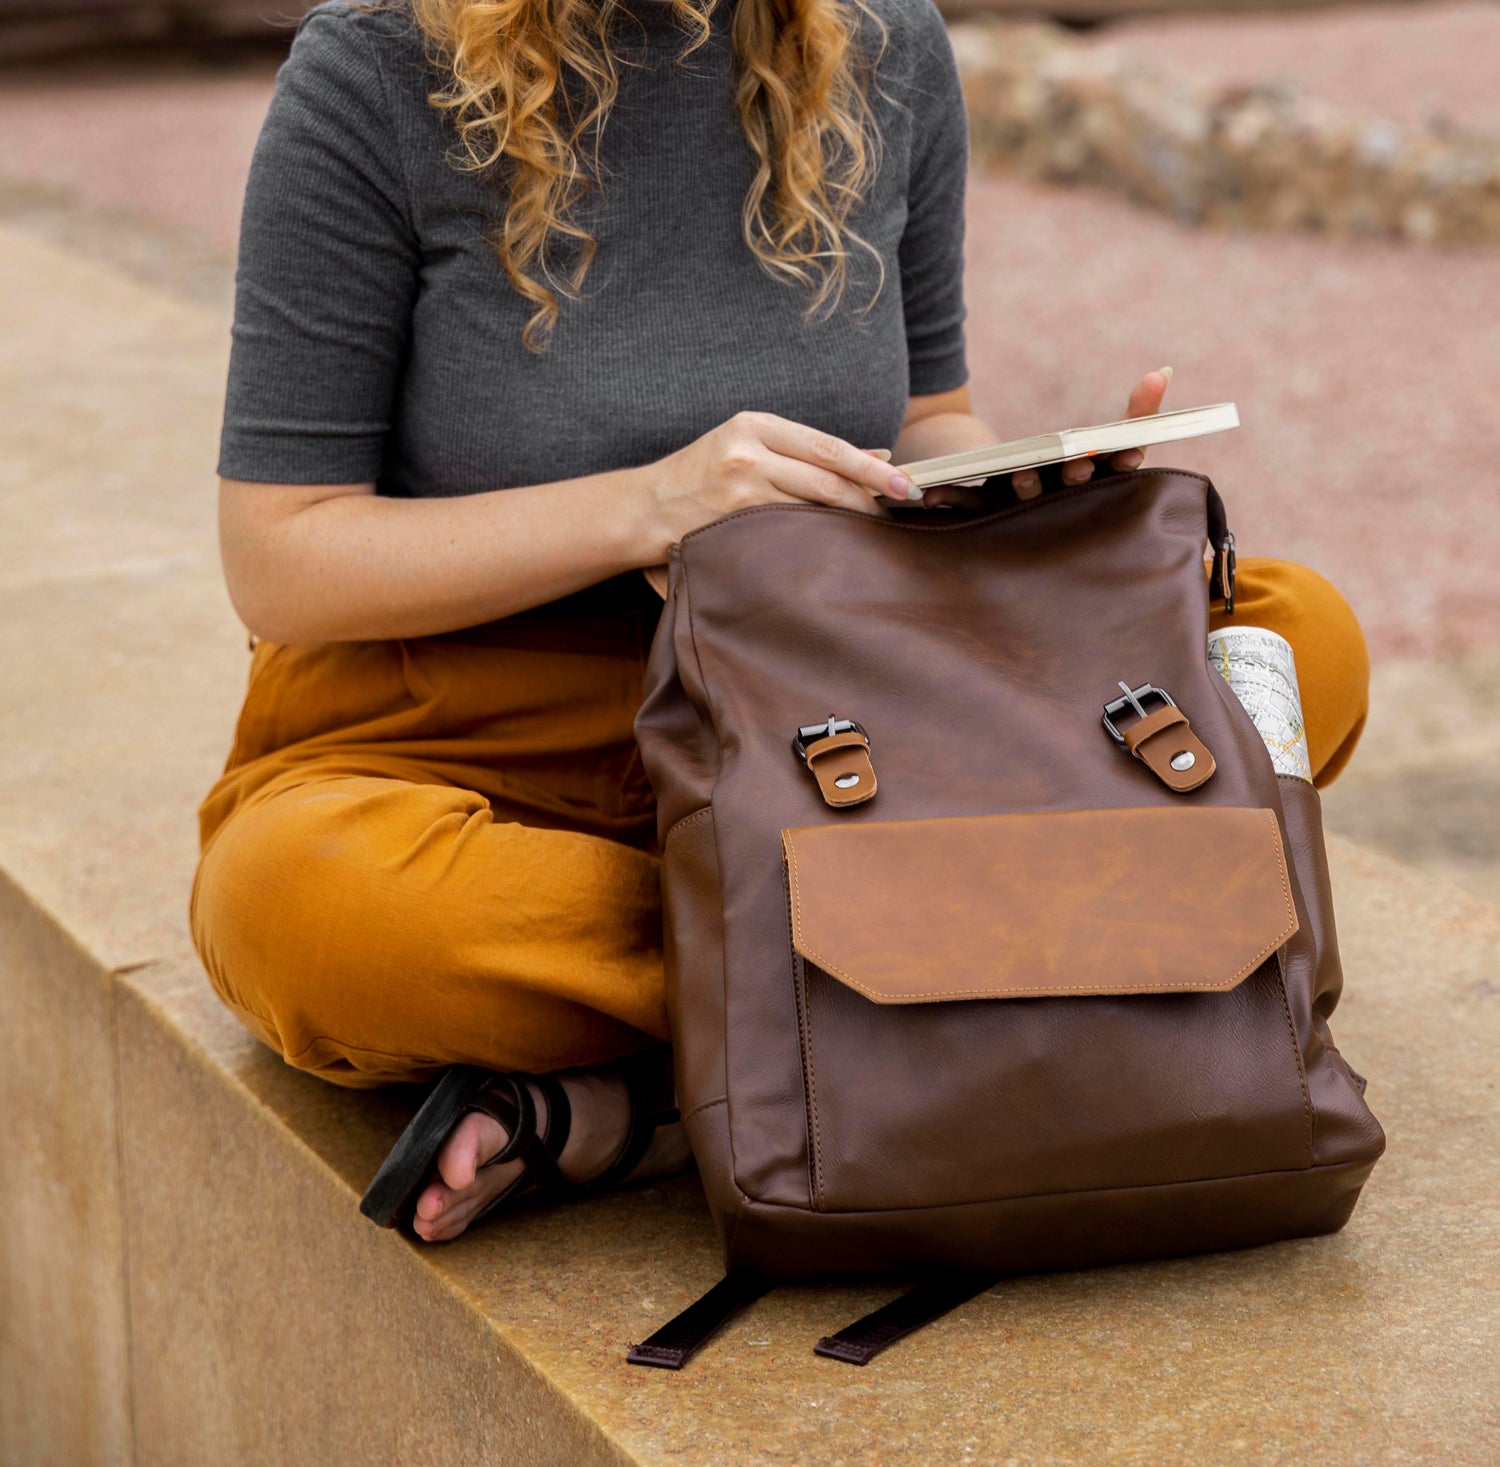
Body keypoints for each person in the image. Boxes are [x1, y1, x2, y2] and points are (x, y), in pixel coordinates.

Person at [190, 0, 1370, 1245]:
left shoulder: (885, 42)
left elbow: (928, 416)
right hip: (490, 726)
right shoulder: (374, 70)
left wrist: (1023, 499)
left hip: (833, 705)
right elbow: (282, 555)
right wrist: (650, 508)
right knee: (314, 912)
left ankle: (711, 1063)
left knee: (1297, 638)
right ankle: (1003, 980)